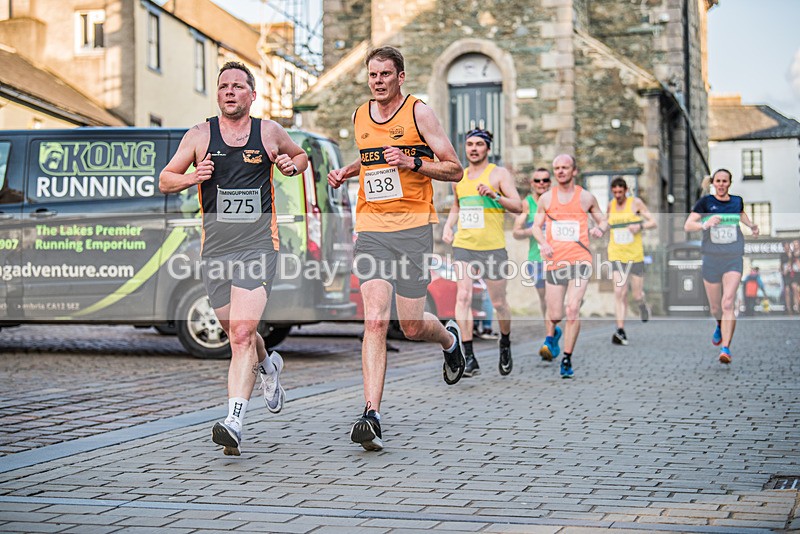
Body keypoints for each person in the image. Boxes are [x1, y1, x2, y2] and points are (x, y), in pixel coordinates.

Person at [159, 61, 308, 455]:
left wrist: (291, 166)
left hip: (258, 246)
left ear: (252, 94)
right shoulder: (199, 135)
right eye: (223, 85)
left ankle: (234, 421)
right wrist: (192, 177)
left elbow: (300, 156)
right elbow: (165, 179)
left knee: (241, 334)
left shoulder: (269, 132)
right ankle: (269, 366)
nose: (229, 91)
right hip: (216, 251)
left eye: (238, 86)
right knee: (237, 332)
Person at [327, 46, 465, 451]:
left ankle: (449, 340)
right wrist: (348, 170)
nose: (378, 81)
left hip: (414, 230)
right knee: (374, 320)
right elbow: (371, 158)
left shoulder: (419, 113)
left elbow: (454, 168)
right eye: (373, 75)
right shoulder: (360, 115)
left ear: (400, 77)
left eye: (385, 74)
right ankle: (371, 414)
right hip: (372, 229)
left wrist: (412, 162)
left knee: (412, 326)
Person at [442, 128, 522, 377]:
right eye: (470, 144)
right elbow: (457, 205)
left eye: (479, 144)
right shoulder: (459, 177)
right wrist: (448, 226)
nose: (474, 149)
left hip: (492, 247)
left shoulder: (499, 174)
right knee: (463, 297)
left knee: (499, 303)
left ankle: (505, 343)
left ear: (487, 148)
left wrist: (495, 196)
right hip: (464, 245)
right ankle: (469, 356)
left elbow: (518, 206)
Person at [531, 154, 608, 378]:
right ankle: (554, 333)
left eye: (565, 167)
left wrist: (600, 228)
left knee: (572, 309)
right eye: (557, 168)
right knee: (555, 315)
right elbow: (536, 226)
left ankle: (567, 358)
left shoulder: (586, 197)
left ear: (574, 171)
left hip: (580, 260)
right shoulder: (546, 199)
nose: (561, 171)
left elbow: (603, 220)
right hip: (555, 261)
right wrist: (543, 243)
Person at [683, 168, 759, 364]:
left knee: (728, 303)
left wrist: (751, 226)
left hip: (733, 257)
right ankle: (719, 323)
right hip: (711, 258)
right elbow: (688, 225)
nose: (721, 184)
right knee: (716, 307)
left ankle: (726, 348)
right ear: (713, 183)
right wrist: (705, 224)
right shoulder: (705, 203)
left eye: (725, 181)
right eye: (718, 181)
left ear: (729, 183)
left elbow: (741, 215)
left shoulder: (736, 201)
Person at [605, 177, 657, 345]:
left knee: (636, 294)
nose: (617, 195)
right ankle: (620, 330)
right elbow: (606, 224)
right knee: (619, 292)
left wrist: (639, 226)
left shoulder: (636, 203)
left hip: (635, 256)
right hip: (616, 255)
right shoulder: (610, 206)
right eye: (615, 192)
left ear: (626, 190)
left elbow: (653, 222)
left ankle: (642, 304)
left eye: (620, 192)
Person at [512, 167, 552, 355]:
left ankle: (550, 338)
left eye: (545, 180)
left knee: (553, 299)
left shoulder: (555, 200)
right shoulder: (527, 204)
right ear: (532, 183)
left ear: (550, 183)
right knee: (545, 299)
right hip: (536, 259)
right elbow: (516, 232)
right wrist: (532, 230)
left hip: (557, 259)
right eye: (537, 180)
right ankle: (550, 333)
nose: (541, 184)